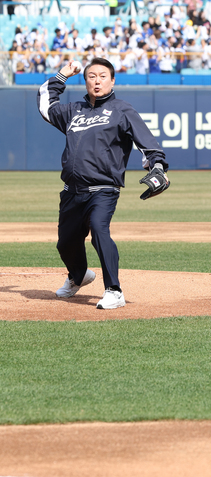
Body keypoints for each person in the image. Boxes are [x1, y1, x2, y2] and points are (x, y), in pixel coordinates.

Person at [36, 58, 169, 310]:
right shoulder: (72, 111)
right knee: (65, 244)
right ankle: (79, 276)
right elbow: (45, 104)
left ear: (112, 80)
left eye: (103, 76)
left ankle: (114, 290)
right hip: (71, 192)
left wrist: (158, 167)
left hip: (103, 189)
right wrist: (62, 76)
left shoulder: (122, 110)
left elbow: (148, 144)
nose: (97, 81)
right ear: (85, 81)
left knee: (99, 230)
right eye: (91, 76)